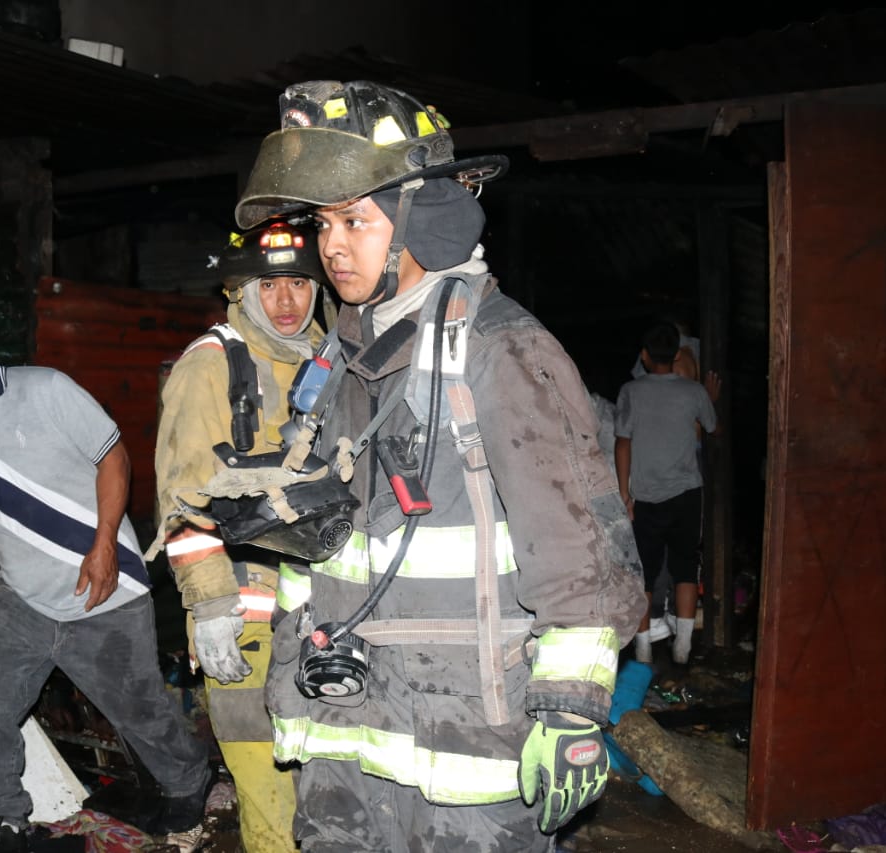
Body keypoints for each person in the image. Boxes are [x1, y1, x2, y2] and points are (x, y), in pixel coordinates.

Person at [230, 79, 646, 852]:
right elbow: (320, 538)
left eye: (356, 220)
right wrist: (270, 620)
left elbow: (582, 550)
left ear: (429, 216)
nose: (333, 246)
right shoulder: (336, 358)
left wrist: (569, 708)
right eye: (325, 222)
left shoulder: (500, 350)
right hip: (344, 732)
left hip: (468, 748)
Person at [0, 316, 210, 853]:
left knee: (138, 710)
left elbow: (113, 458)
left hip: (105, 590)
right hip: (22, 600)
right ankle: (0, 817)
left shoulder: (46, 390)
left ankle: (188, 785)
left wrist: (105, 542)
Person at [151, 220, 330, 853]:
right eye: (271, 285)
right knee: (266, 782)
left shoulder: (332, 359)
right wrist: (211, 605)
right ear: (240, 291)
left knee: (328, 785)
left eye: (300, 284)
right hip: (245, 611)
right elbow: (182, 496)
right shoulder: (211, 367)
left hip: (329, 607)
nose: (288, 302)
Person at [614, 321, 720, 666]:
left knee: (645, 570)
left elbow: (623, 443)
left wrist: (624, 493)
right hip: (688, 494)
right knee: (686, 566)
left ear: (644, 356)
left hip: (646, 497)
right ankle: (683, 649)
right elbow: (712, 425)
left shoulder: (631, 391)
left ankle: (643, 650)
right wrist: (710, 397)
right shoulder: (693, 392)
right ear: (677, 354)